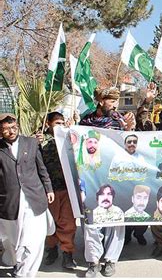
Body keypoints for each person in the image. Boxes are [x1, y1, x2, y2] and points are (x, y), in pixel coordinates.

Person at [79, 86, 134, 278]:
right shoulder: (86, 121)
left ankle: (110, 260)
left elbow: (129, 145)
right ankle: (93, 261)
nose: (114, 104)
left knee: (115, 220)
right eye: (111, 100)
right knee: (92, 220)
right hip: (92, 177)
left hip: (115, 177)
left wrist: (128, 130)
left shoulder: (119, 120)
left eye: (116, 101)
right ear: (101, 101)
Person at [0, 113, 54, 277]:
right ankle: (17, 262)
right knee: (11, 240)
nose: (11, 131)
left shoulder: (31, 143)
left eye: (13, 127)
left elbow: (41, 167)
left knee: (33, 240)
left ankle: (25, 274)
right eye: (6, 129)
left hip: (33, 198)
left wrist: (48, 188)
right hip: (8, 202)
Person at [38, 112, 77, 269]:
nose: (60, 126)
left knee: (67, 222)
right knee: (50, 221)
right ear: (48, 124)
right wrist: (36, 142)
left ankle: (67, 253)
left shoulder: (68, 137)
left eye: (62, 123)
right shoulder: (40, 140)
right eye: (56, 123)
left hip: (67, 188)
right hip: (49, 190)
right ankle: (51, 248)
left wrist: (73, 130)